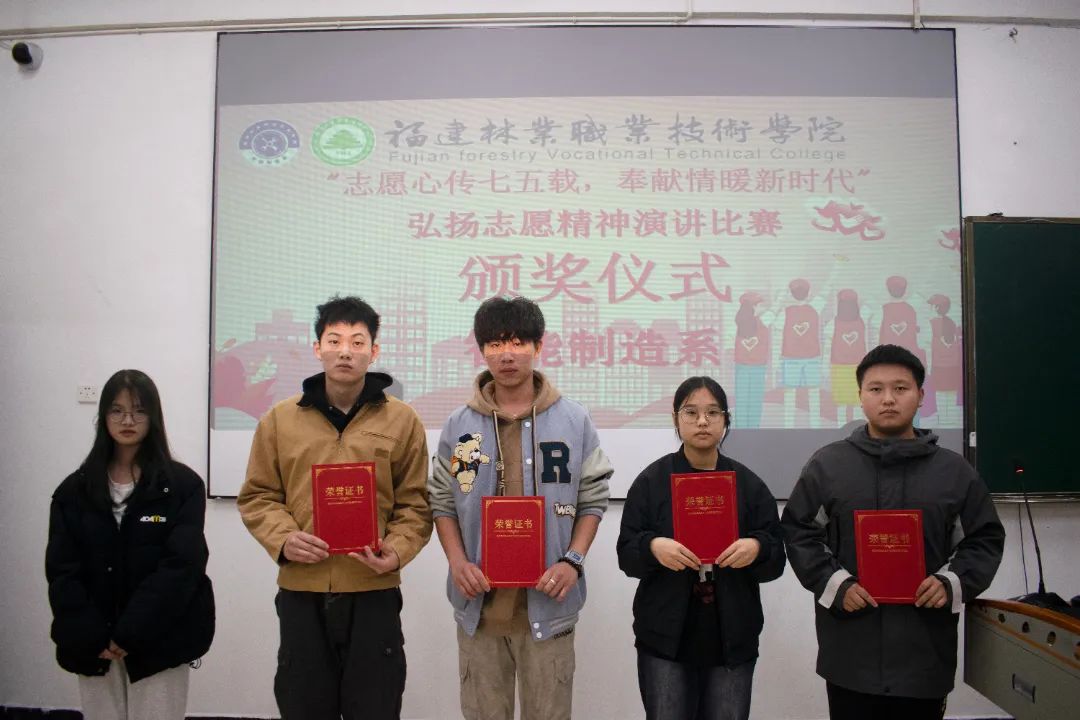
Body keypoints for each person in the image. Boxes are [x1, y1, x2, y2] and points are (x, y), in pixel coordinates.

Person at [781, 344, 1005, 720]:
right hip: (851, 653)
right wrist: (835, 584)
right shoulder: (828, 465)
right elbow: (799, 531)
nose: (888, 398)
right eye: (876, 389)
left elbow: (984, 539)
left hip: (924, 654)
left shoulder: (955, 472)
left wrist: (952, 582)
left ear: (921, 395)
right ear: (861, 396)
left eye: (900, 388)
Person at [237, 295, 432, 720]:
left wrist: (397, 551)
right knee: (305, 706)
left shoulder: (402, 420)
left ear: (374, 351)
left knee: (375, 706)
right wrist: (284, 539)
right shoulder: (279, 420)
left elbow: (415, 502)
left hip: (373, 589)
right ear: (317, 348)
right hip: (302, 588)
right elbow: (258, 495)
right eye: (335, 340)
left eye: (358, 342)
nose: (345, 351)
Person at [428, 295, 613, 720]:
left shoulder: (572, 420)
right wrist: (457, 563)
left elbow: (593, 496)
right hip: (479, 609)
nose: (506, 354)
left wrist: (573, 560)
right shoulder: (461, 425)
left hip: (549, 605)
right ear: (482, 350)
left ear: (538, 346)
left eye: (517, 342)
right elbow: (442, 499)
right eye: (495, 343)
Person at [46, 370, 215, 720]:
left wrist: (130, 632)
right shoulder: (72, 491)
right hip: (94, 645)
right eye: (117, 410)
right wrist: (94, 635)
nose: (127, 421)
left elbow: (181, 567)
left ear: (154, 417)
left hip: (159, 640)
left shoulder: (182, 486)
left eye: (139, 411)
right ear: (103, 416)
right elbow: (63, 571)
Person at [617, 376, 786, 720]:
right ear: (676, 419)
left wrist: (757, 548)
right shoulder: (651, 482)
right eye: (691, 412)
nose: (702, 421)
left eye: (713, 412)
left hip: (731, 638)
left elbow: (776, 559)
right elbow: (627, 555)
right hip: (665, 638)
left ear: (726, 420)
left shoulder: (749, 484)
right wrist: (652, 547)